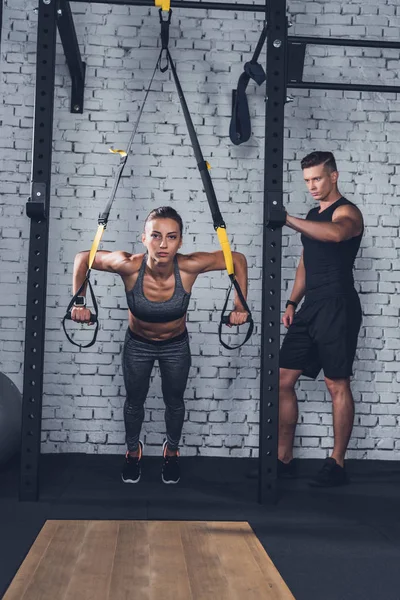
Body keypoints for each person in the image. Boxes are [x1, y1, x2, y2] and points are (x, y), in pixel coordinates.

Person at [71, 206, 249, 485]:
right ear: (144, 238)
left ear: (180, 241)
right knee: (134, 403)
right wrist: (79, 301)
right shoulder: (128, 265)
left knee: (175, 402)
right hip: (138, 344)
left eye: (171, 237)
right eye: (156, 236)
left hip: (175, 345)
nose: (163, 244)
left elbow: (236, 259)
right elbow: (84, 258)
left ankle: (172, 452)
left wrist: (241, 306)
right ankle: (132, 452)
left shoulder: (189, 266)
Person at [279, 151, 364, 487]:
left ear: (334, 176)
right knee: (282, 379)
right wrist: (291, 301)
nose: (312, 186)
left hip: (338, 304)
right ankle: (283, 459)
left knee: (336, 383)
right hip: (311, 305)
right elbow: (305, 263)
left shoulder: (347, 212)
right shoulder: (313, 214)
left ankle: (337, 463)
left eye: (317, 178)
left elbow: (336, 235)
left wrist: (286, 219)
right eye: (307, 181)